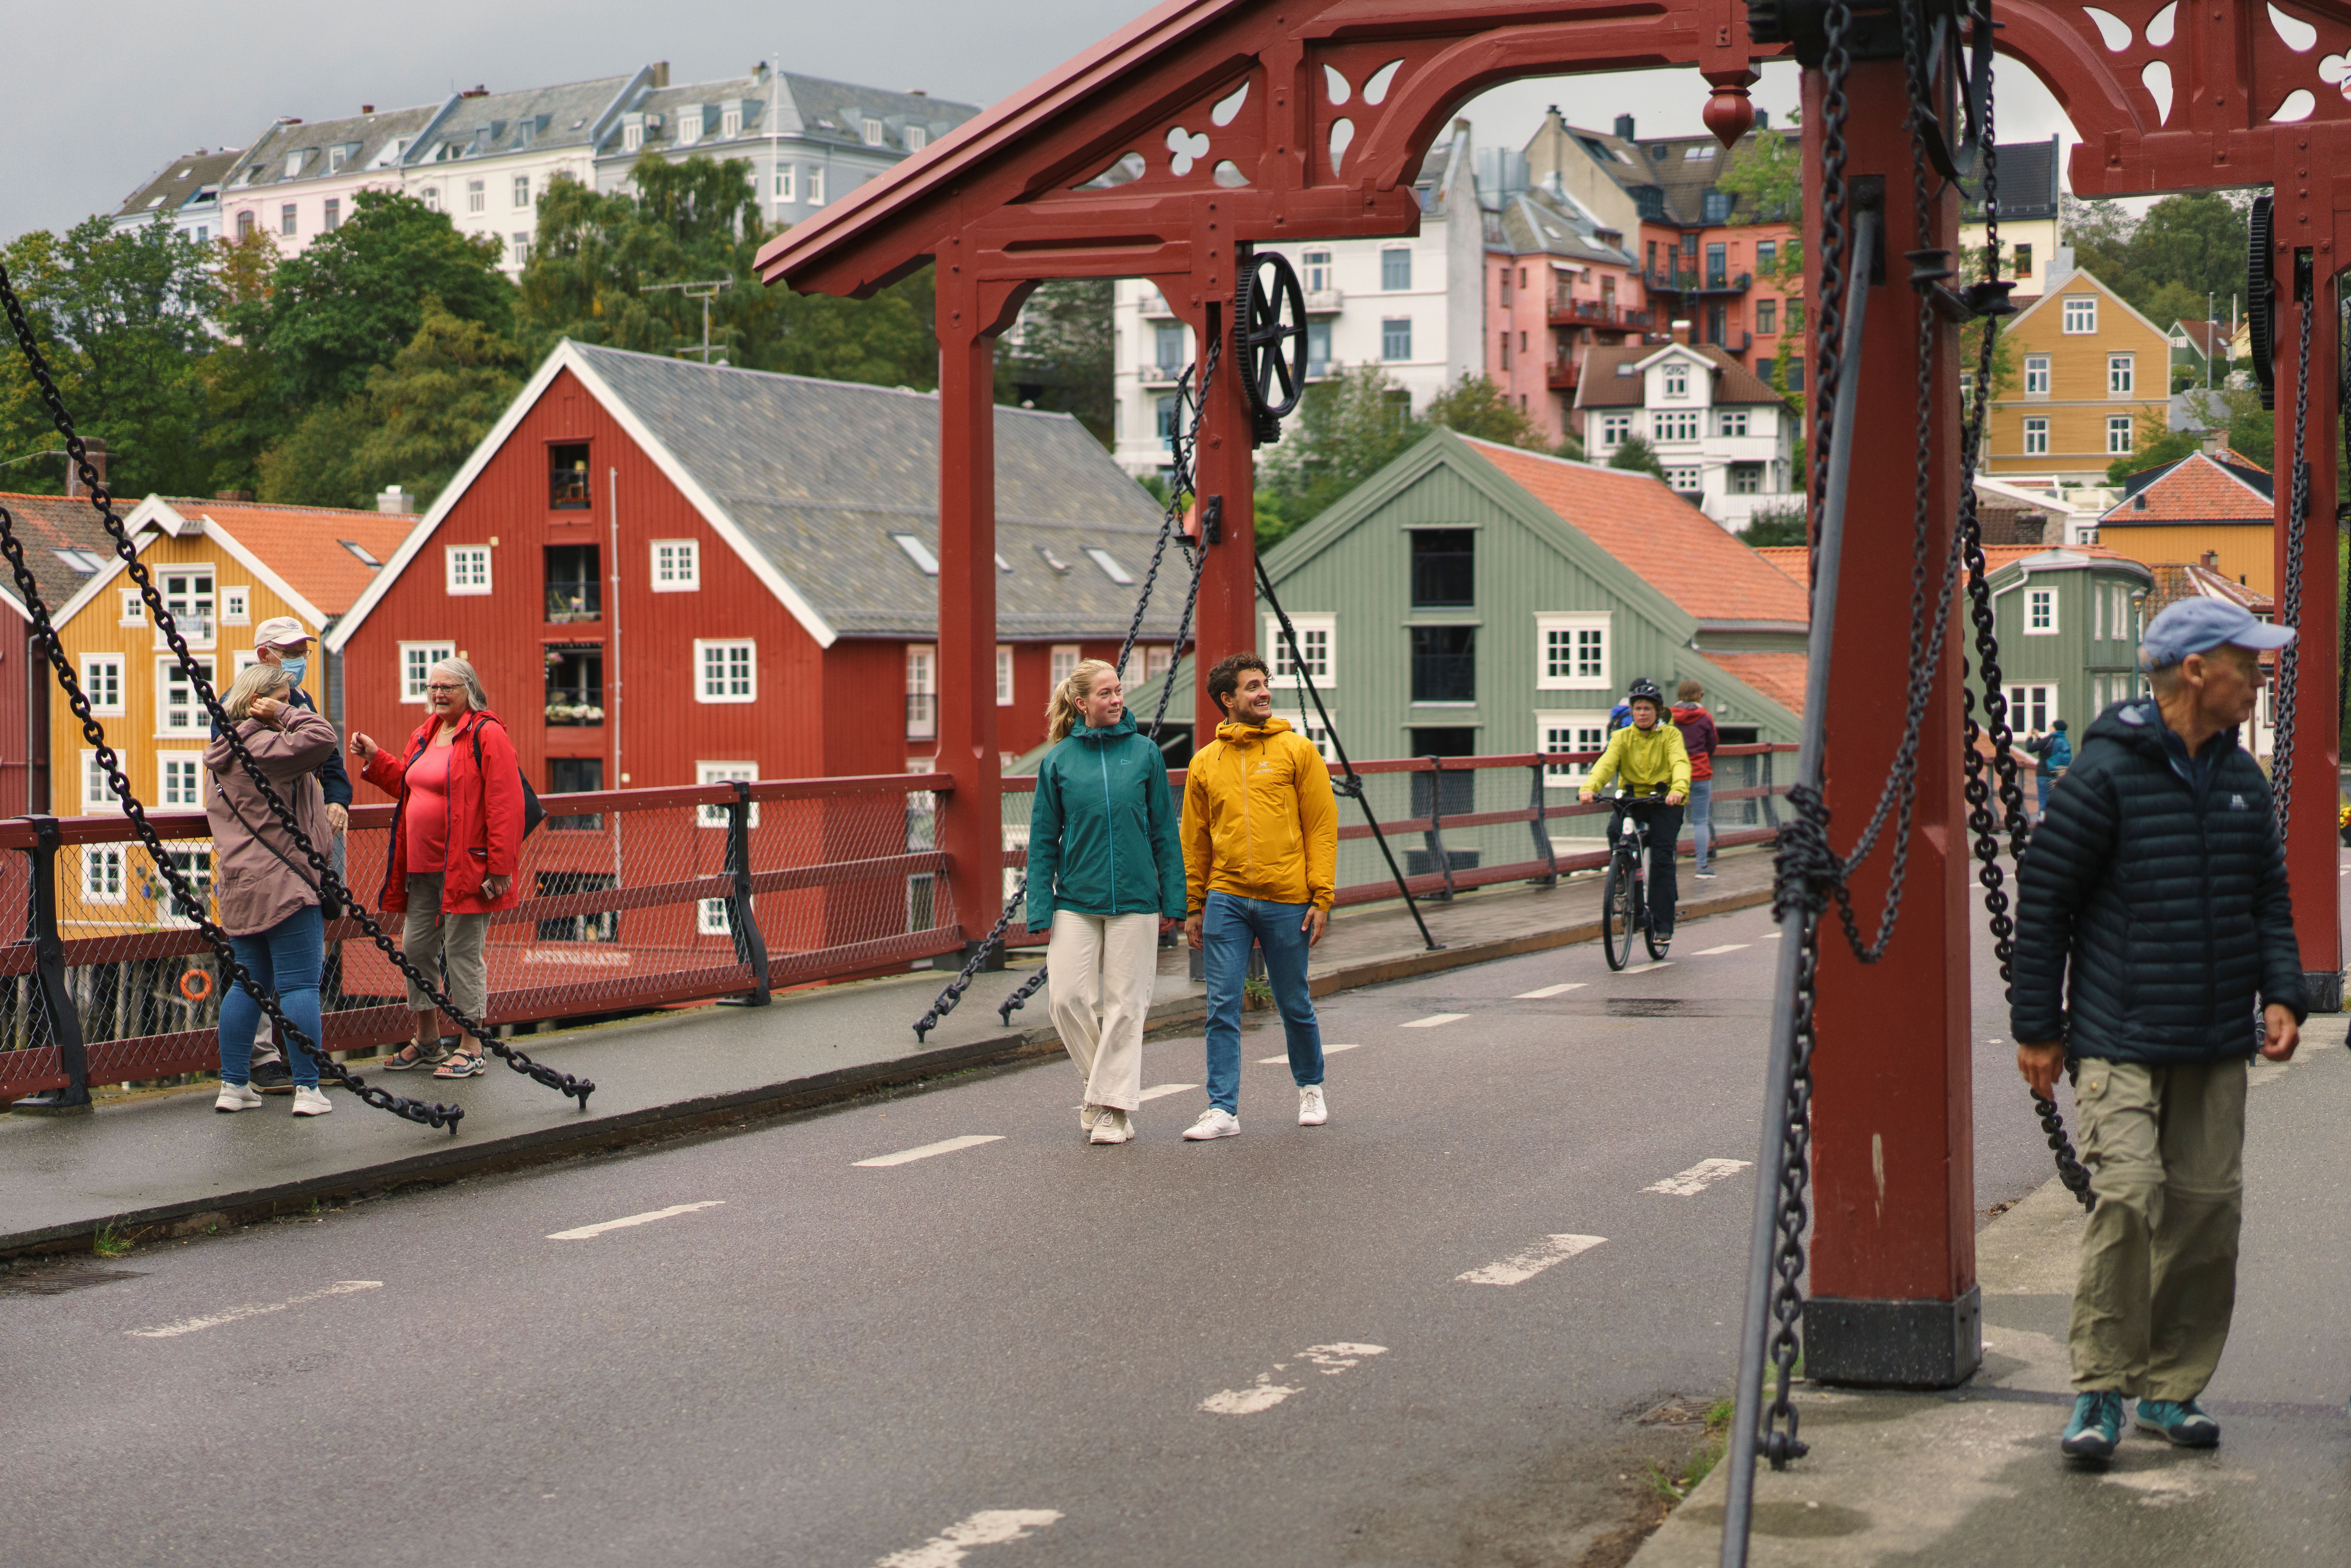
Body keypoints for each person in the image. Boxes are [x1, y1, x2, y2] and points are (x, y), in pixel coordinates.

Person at [2012, 598, 2304, 1461]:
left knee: (2207, 1215)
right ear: (2195, 671)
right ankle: (2099, 1388)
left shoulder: (2244, 781)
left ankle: (2171, 1390)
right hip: (2118, 1033)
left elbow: (2267, 901)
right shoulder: (2103, 775)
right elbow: (2045, 904)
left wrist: (2282, 992)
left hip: (2214, 1039)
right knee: (2130, 1197)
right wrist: (2038, 1027)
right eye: (2246, 661)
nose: (2259, 675)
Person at [1024, 659, 1187, 1145]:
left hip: (1137, 899)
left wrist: (1173, 900)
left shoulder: (1145, 754)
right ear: (1080, 703)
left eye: (1119, 691)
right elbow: (1042, 841)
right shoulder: (1057, 761)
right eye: (1105, 693)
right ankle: (1102, 1089)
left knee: (1125, 1005)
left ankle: (1111, 1110)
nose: (1117, 700)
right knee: (1066, 998)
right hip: (1075, 897)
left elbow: (1164, 832)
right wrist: (1039, 907)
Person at [1180, 652, 1337, 1141]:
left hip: (1286, 896)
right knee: (1221, 1004)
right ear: (1227, 700)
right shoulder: (1205, 762)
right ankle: (1222, 1109)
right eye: (1252, 687)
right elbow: (1195, 837)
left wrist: (1322, 896)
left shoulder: (1297, 751)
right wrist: (1192, 903)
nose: (1264, 692)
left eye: (1265, 684)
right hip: (1225, 896)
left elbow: (1321, 825)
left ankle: (1310, 1087)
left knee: (1293, 1000)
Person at [348, 657, 524, 1081]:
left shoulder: (487, 734)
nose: (439, 693)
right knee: (417, 949)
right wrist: (377, 760)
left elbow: (506, 803)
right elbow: (410, 786)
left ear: (470, 689)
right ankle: (427, 1039)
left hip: (467, 866)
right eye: (433, 687)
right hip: (422, 865)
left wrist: (499, 866)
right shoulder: (426, 734)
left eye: (449, 686)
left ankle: (471, 1044)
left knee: (463, 954)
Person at [206, 662, 340, 1118]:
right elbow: (324, 740)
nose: (296, 702)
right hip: (286, 883)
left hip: (241, 885)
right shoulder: (266, 746)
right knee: (300, 985)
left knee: (247, 985)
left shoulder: (222, 751)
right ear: (261, 701)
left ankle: (233, 1085)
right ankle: (307, 1089)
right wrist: (284, 716)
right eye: (288, 696)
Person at [231, 617, 352, 1095]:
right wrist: (284, 715)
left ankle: (241, 1079)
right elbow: (312, 747)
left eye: (303, 648)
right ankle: (287, 1071)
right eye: (291, 650)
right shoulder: (252, 711)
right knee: (297, 980)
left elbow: (331, 762)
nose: (300, 657)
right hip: (280, 860)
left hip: (279, 860)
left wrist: (337, 797)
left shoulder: (297, 703)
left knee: (259, 979)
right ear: (266, 655)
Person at [1579, 677, 1691, 950]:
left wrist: (1678, 789)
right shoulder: (1621, 737)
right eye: (1638, 708)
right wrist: (1589, 787)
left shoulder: (1670, 736)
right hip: (1632, 799)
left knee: (1663, 858)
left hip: (1665, 801)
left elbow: (1680, 762)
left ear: (1658, 713)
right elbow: (1605, 764)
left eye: (1647, 709)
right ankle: (1623, 877)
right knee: (1614, 831)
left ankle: (1663, 925)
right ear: (1631, 712)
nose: (1642, 713)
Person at [1671, 678, 1720, 880]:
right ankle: (1702, 866)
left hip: (1675, 774)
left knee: (1671, 821)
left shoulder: (1669, 717)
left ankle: (1668, 864)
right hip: (1699, 772)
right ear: (1698, 695)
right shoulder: (1705, 717)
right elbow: (1712, 743)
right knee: (1700, 820)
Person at [2023, 718, 2073, 823]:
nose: (2050, 727)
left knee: (2043, 802)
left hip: (2044, 775)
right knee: (2055, 803)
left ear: (2055, 729)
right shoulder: (2064, 742)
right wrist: (2038, 738)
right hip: (2057, 776)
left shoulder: (2049, 740)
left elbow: (2031, 749)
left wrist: (2029, 737)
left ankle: (2042, 825)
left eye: (2051, 726)